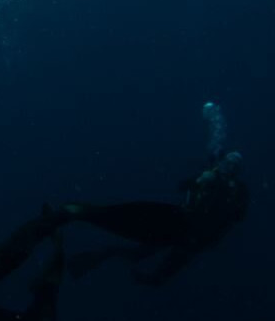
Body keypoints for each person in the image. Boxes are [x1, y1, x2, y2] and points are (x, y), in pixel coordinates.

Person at [62, 103, 248, 287]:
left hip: (193, 236)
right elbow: (183, 187)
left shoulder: (236, 190)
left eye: (233, 166)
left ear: (236, 171)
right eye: (227, 163)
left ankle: (106, 258)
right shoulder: (211, 178)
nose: (228, 167)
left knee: (154, 272)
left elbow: (237, 215)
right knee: (140, 258)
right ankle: (101, 256)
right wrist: (200, 180)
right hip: (183, 227)